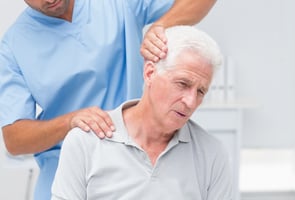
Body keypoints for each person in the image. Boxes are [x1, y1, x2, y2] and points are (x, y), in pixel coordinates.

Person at [0, 0, 217, 199]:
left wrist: (160, 27)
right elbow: (15, 139)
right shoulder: (13, 46)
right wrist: (70, 122)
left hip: (137, 165)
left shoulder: (116, 4)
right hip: (62, 173)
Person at [51, 25, 233, 200]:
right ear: (149, 73)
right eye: (182, 84)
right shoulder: (86, 142)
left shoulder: (212, 154)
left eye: (200, 91)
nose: (191, 102)